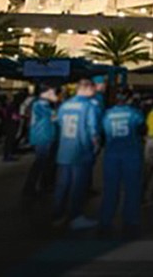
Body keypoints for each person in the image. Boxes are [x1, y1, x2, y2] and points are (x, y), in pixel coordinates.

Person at [53, 79, 101, 230]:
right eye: (93, 89)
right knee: (78, 186)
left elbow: (59, 123)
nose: (95, 91)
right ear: (86, 88)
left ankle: (57, 215)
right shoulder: (89, 106)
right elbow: (92, 128)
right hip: (81, 151)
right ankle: (75, 216)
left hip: (64, 150)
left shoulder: (65, 105)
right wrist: (96, 144)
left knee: (62, 185)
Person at [99, 90, 146, 237]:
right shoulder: (135, 113)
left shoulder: (107, 114)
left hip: (112, 154)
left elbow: (102, 133)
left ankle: (106, 220)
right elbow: (142, 129)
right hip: (131, 153)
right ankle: (130, 220)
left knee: (110, 189)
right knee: (132, 188)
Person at [23, 84, 59, 197]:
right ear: (47, 92)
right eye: (53, 92)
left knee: (43, 162)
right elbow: (55, 117)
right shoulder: (41, 104)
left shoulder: (41, 104)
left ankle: (40, 186)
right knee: (40, 162)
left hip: (44, 136)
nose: (55, 95)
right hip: (43, 136)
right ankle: (30, 188)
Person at [0, 93, 21, 162]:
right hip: (11, 124)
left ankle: (7, 155)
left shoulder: (4, 107)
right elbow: (14, 116)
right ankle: (8, 155)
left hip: (6, 124)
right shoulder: (11, 107)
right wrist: (18, 117)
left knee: (8, 141)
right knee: (10, 140)